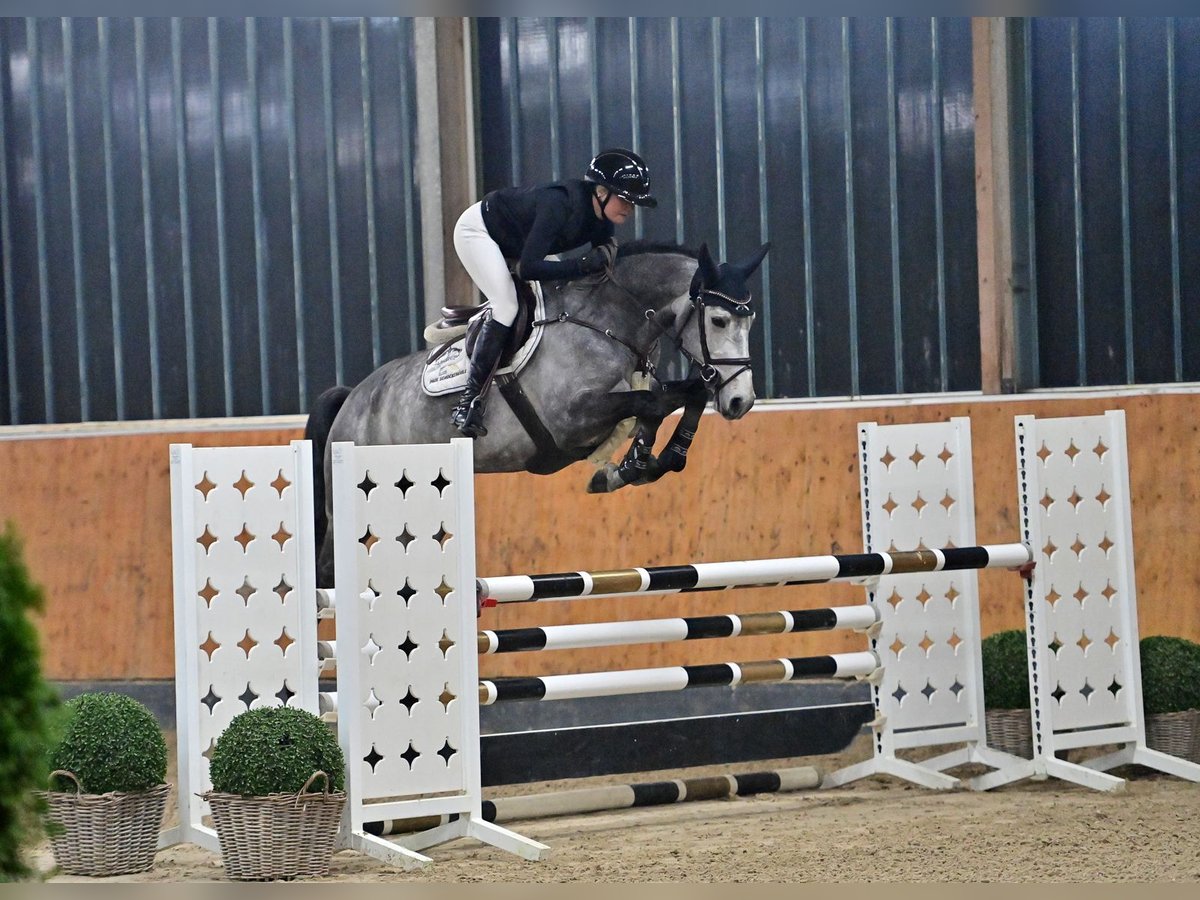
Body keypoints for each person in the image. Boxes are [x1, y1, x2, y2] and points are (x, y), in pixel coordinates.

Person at [449, 147, 657, 438]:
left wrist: (604, 253)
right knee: (506, 305)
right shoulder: (558, 206)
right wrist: (583, 264)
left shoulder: (601, 218)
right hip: (480, 233)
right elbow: (529, 269)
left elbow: (602, 249)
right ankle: (469, 401)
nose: (629, 209)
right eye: (625, 200)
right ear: (600, 192)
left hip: (518, 243)